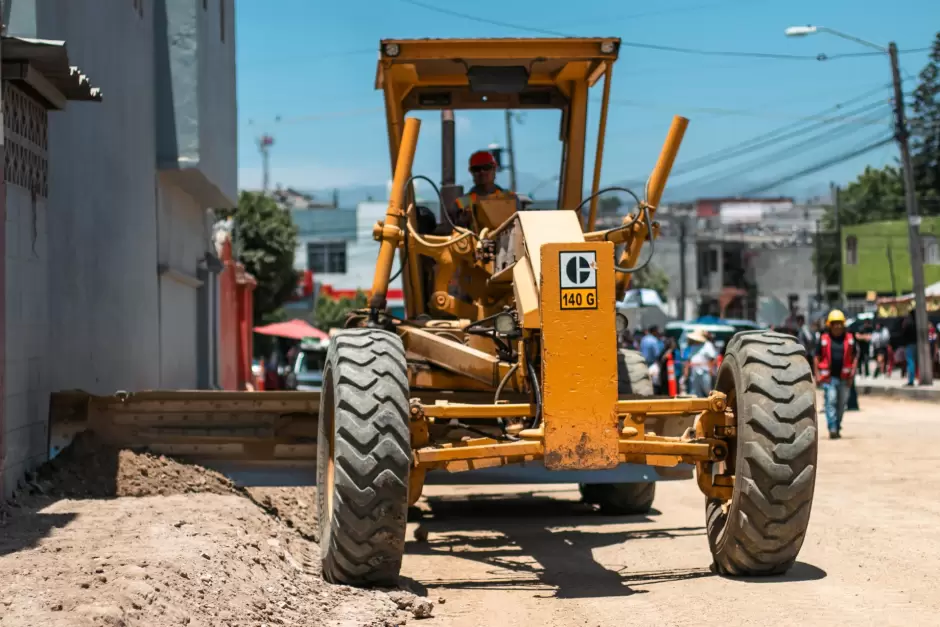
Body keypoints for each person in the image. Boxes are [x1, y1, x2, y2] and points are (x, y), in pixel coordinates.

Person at [814, 310, 858, 440]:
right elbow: (817, 357)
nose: (837, 326)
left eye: (839, 323)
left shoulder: (850, 339)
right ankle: (832, 427)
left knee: (841, 404)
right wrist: (816, 375)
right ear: (830, 325)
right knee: (831, 401)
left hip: (845, 378)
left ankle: (837, 425)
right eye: (835, 324)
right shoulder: (823, 339)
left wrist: (852, 374)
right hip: (829, 378)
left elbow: (855, 357)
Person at [453, 150, 521, 230]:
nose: (482, 172)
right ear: (471, 172)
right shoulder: (462, 203)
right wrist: (463, 221)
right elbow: (456, 232)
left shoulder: (511, 198)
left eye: (486, 167)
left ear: (494, 169)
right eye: (477, 169)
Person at [684, 329, 717, 398]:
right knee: (695, 391)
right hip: (694, 371)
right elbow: (688, 360)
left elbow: (713, 358)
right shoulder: (692, 347)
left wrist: (711, 369)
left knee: (707, 389)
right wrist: (686, 371)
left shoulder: (708, 345)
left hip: (705, 371)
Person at [900, 310, 917, 386]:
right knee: (913, 362)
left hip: (910, 345)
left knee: (910, 362)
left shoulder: (909, 324)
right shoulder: (918, 323)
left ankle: (911, 380)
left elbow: (904, 334)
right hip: (917, 345)